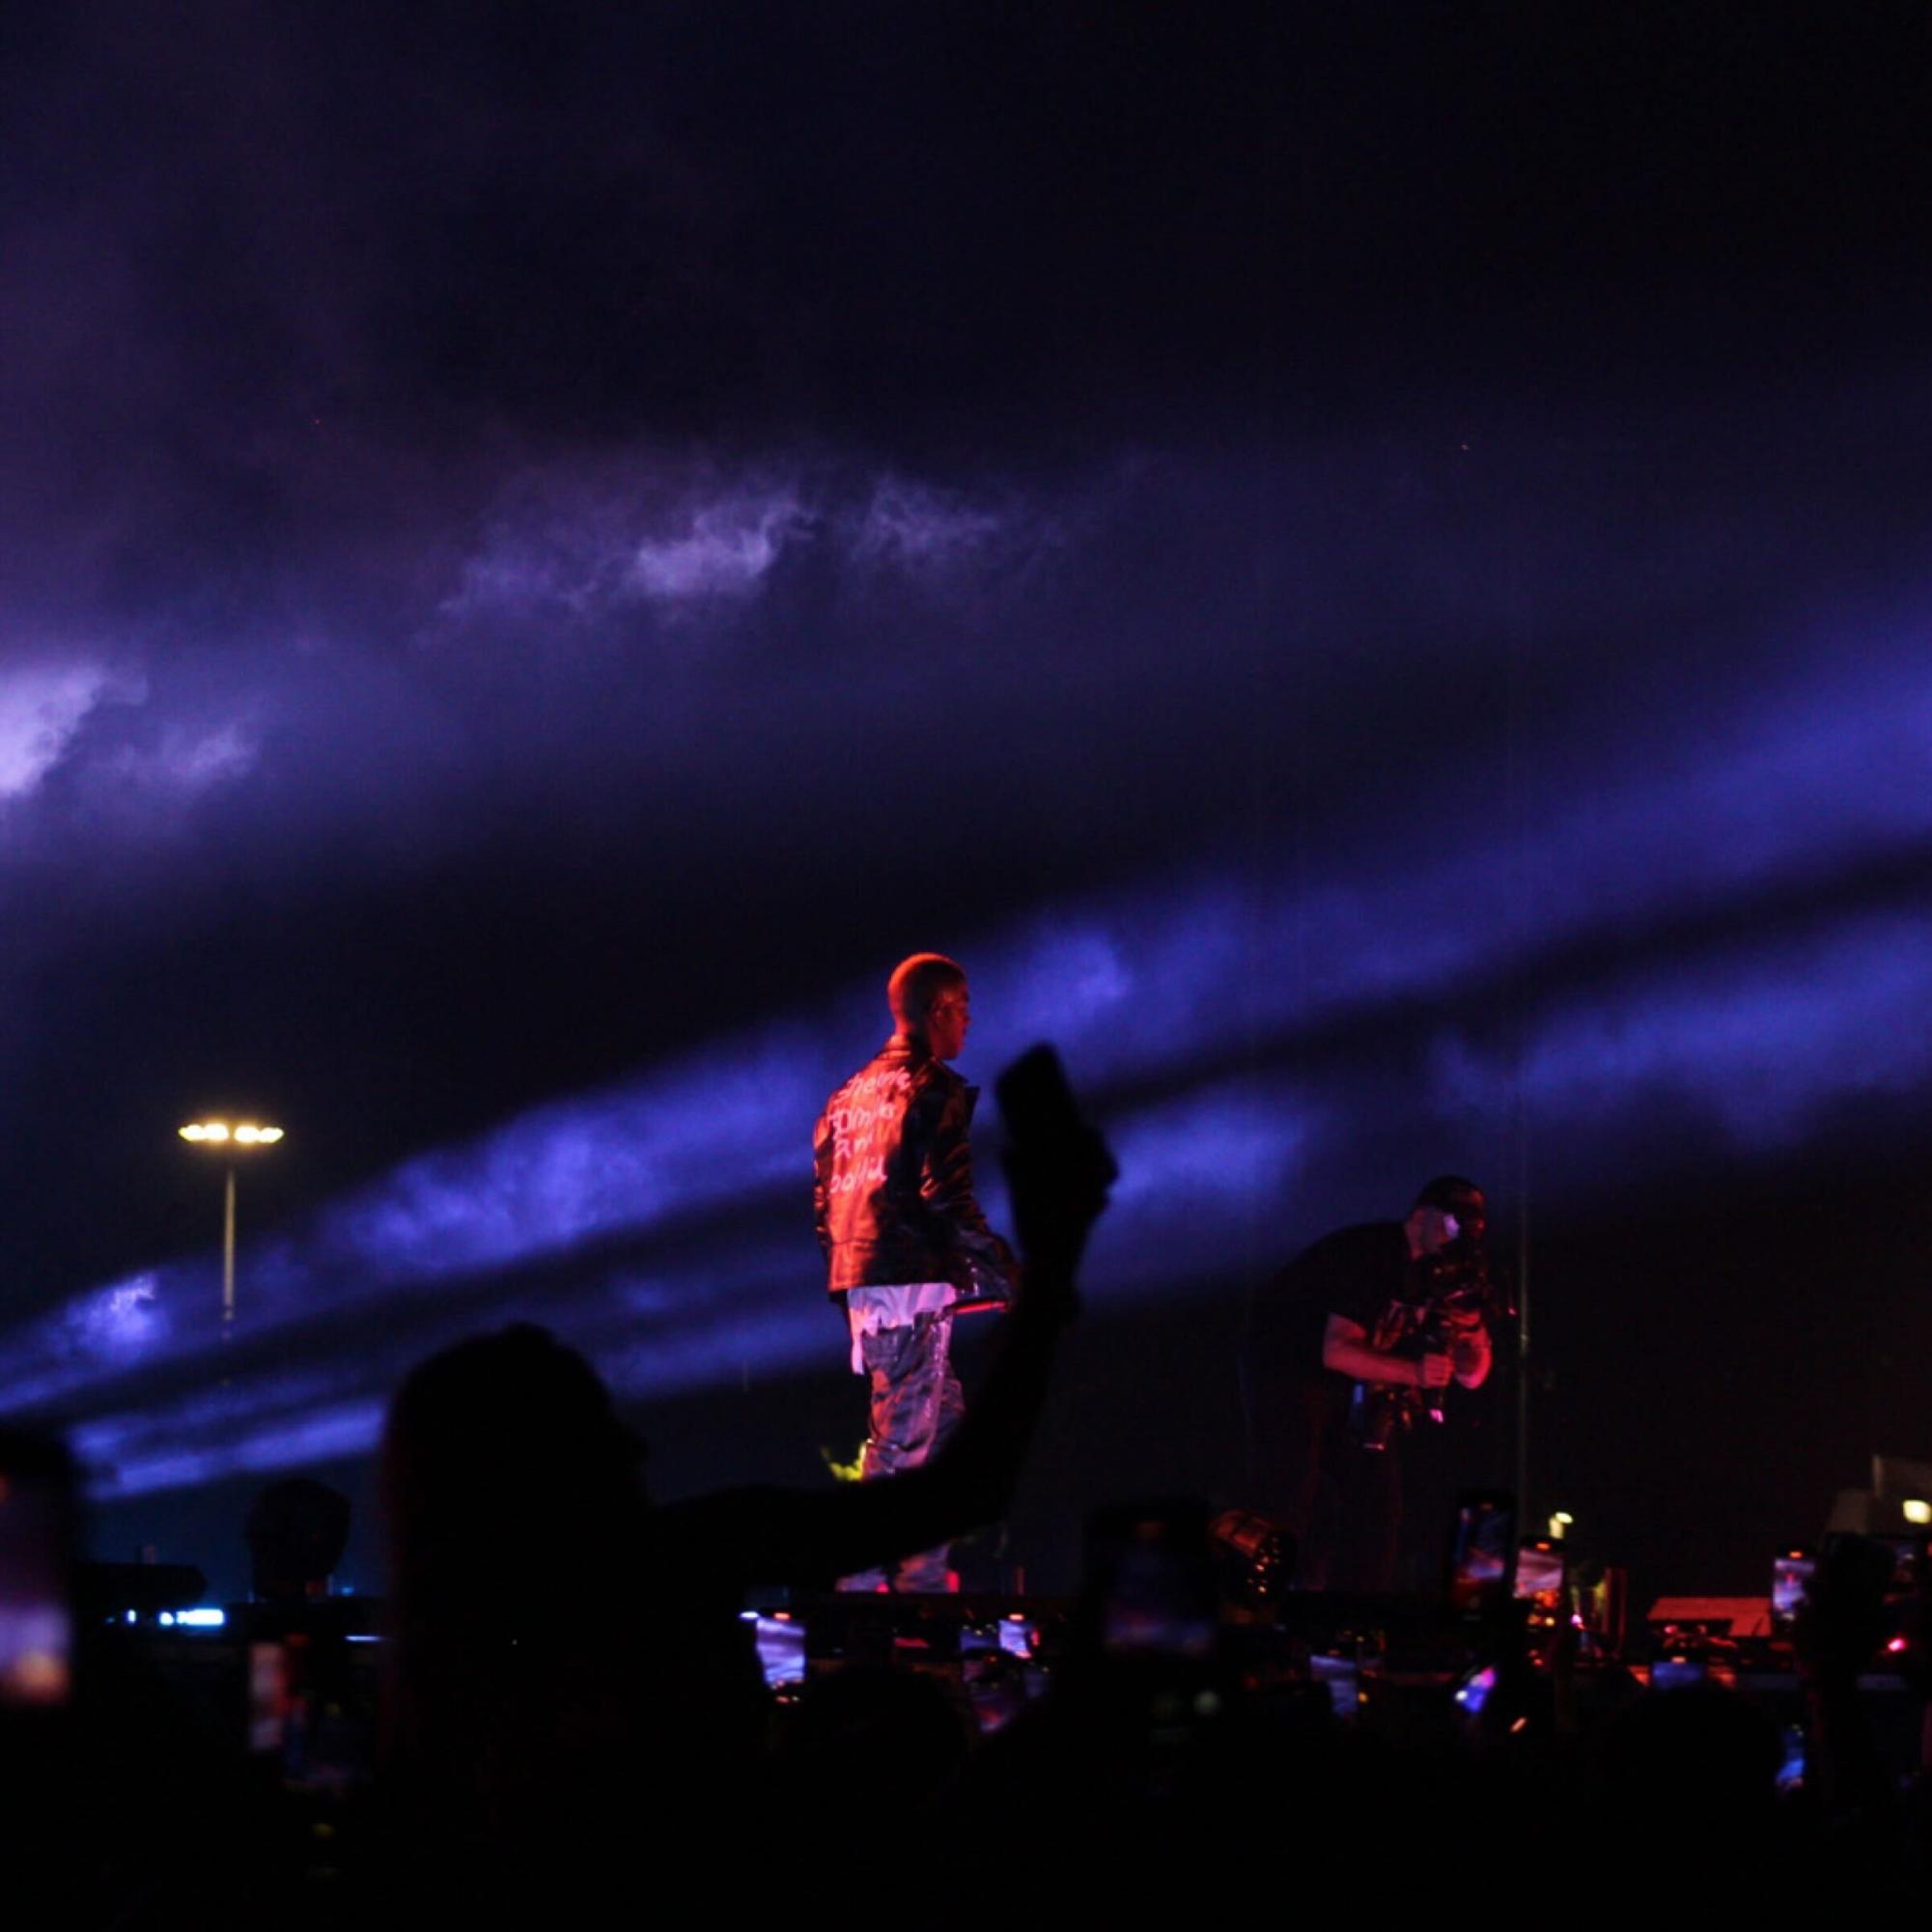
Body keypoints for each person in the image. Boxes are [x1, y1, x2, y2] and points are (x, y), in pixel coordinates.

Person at [375, 1054, 1111, 1918]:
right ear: (562, 1458)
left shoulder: (433, 1700)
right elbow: (960, 1493)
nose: (633, 1439)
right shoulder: (685, 1555)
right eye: (597, 1421)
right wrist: (1053, 1262)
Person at [813, 953, 1017, 1590]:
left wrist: (855, 1280)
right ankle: (865, 1597)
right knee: (902, 1447)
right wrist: (1004, 1271)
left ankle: (922, 1574)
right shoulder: (933, 1088)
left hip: (868, 1286)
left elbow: (824, 1205)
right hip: (910, 1291)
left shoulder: (844, 1097)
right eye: (963, 1008)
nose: (970, 1021)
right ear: (938, 1009)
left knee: (944, 1430)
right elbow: (945, 1194)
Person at [1246, 1175, 1496, 1592]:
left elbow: (1472, 1375)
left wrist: (1474, 1330)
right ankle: (1266, 1612)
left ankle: (1351, 1625)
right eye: (1455, 1222)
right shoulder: (1372, 1255)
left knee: (1377, 1507)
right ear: (1421, 1216)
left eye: (1472, 1226)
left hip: (1359, 1382)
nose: (1462, 1234)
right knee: (1291, 1490)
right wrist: (1415, 1373)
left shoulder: (1447, 1274)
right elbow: (1337, 1351)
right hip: (1290, 1364)